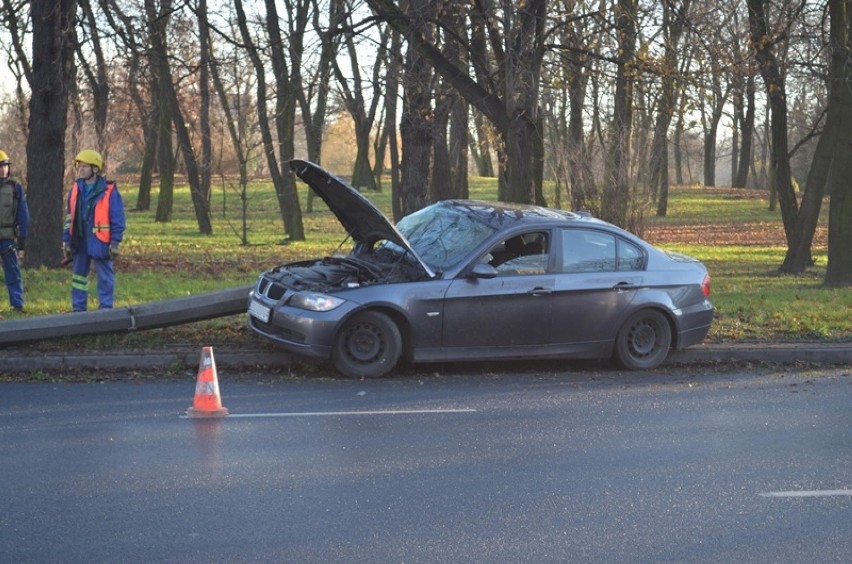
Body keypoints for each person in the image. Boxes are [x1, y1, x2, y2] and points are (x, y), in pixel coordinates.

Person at [62, 149, 126, 312]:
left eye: (85, 166)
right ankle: (78, 309)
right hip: (80, 239)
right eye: (80, 166)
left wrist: (115, 242)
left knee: (105, 277)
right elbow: (70, 217)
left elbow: (117, 218)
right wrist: (67, 241)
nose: (81, 169)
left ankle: (105, 309)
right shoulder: (75, 189)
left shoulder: (109, 191)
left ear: (95, 169)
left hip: (100, 241)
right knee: (78, 277)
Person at [0, 149, 29, 313]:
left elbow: (23, 213)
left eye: (5, 166)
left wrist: (23, 236)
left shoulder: (15, 188)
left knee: (13, 272)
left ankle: (17, 304)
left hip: (8, 238)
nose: (3, 169)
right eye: (0, 166)